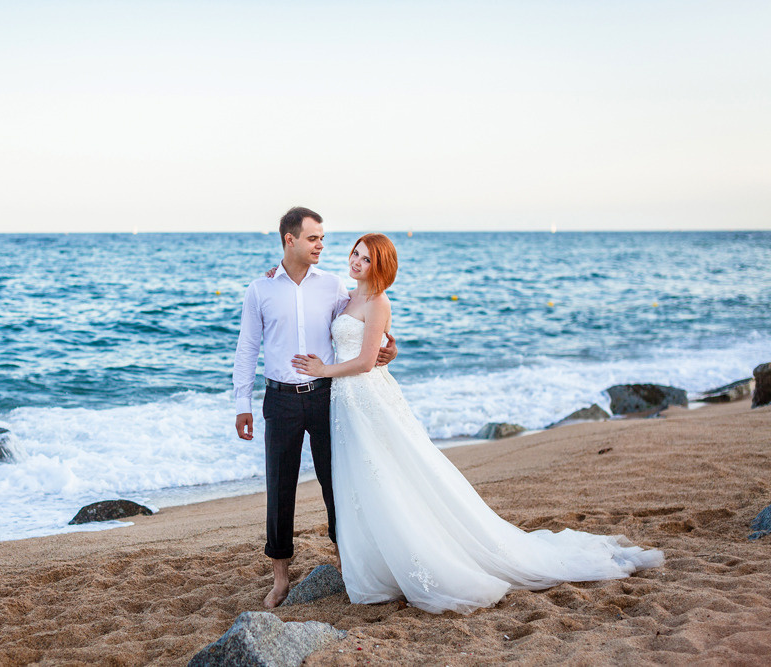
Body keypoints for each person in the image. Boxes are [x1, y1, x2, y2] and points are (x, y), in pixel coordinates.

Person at [291, 233, 664, 614]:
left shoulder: (378, 301)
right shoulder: (347, 294)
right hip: (347, 404)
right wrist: (279, 272)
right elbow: (326, 302)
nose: (356, 261)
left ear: (381, 266)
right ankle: (377, 565)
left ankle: (416, 561)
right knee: (361, 480)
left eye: (366, 259)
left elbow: (368, 362)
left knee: (390, 474)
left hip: (367, 396)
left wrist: (324, 369)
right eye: (355, 253)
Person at [233, 207, 396, 609]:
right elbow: (247, 348)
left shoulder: (334, 284)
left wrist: (391, 347)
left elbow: (364, 318)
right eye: (313, 238)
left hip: (327, 396)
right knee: (280, 488)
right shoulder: (261, 289)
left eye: (323, 238)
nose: (322, 245)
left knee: (335, 482)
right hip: (280, 399)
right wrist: (243, 402)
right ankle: (281, 579)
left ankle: (345, 564)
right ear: (290, 240)